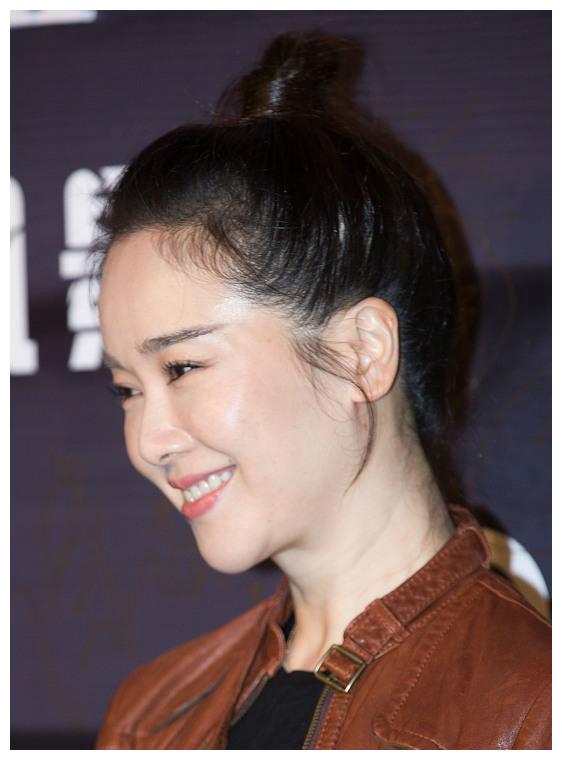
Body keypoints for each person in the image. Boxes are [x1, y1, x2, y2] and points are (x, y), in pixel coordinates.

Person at [93, 33, 551, 750]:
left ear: (360, 351)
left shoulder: (531, 710)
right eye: (127, 388)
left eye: (182, 368)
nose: (149, 441)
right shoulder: (151, 716)